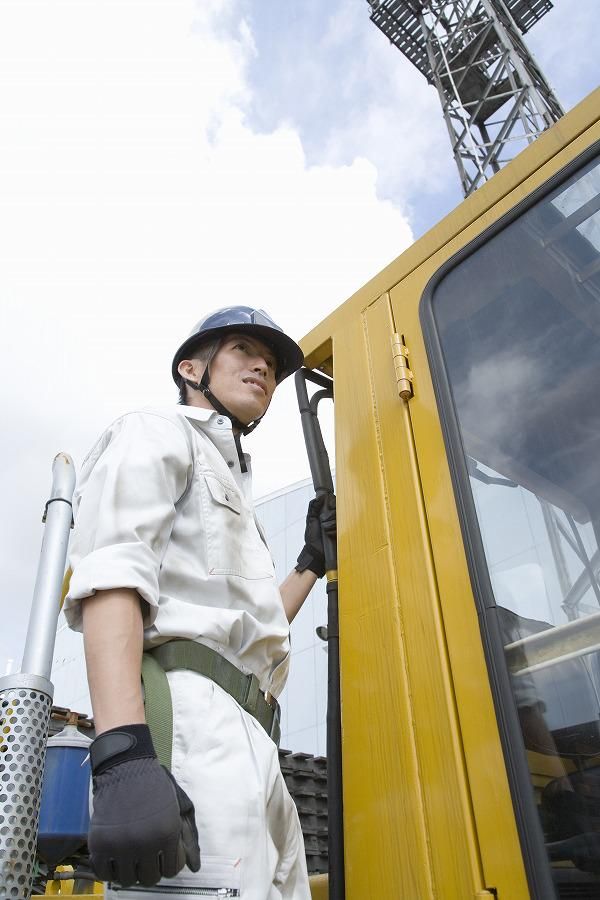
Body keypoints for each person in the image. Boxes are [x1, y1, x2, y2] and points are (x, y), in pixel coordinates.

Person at [63, 307, 333, 899]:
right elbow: (113, 575)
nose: (262, 367)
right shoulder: (155, 430)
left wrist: (311, 563)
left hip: (255, 735)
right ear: (191, 368)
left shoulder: (234, 484)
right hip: (190, 723)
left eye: (271, 363)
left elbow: (252, 627)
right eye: (243, 350)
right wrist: (123, 754)